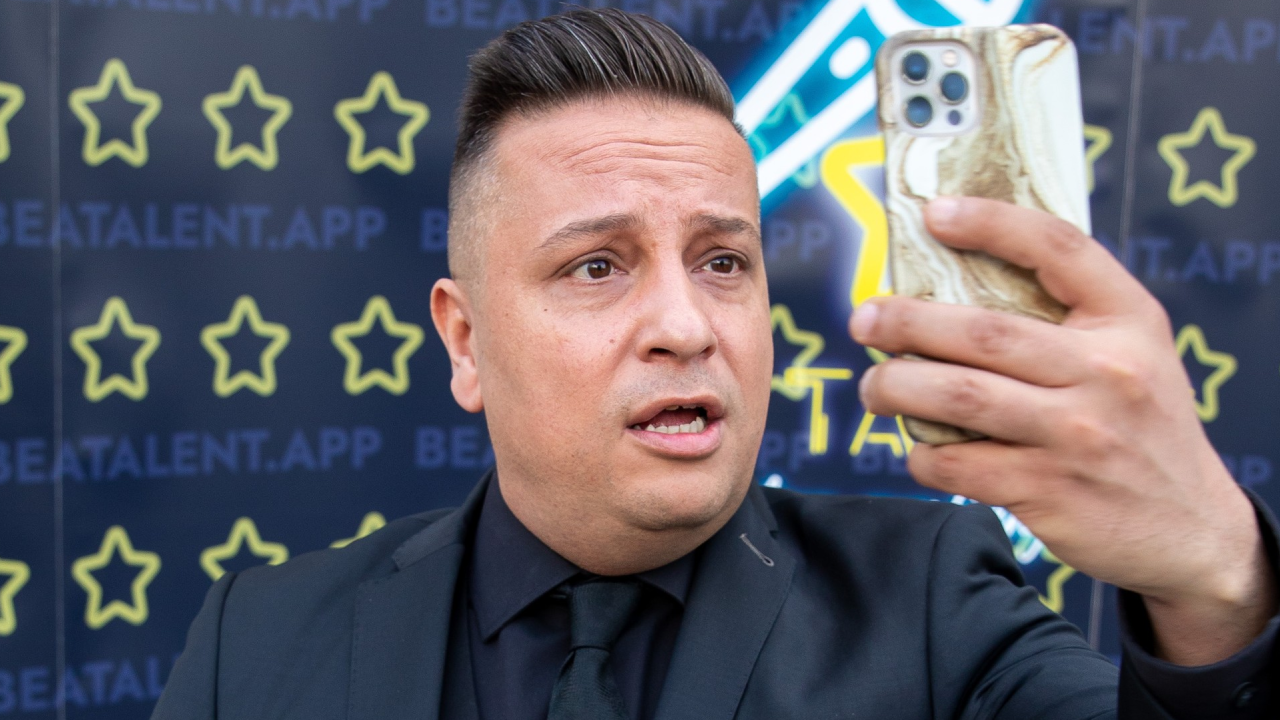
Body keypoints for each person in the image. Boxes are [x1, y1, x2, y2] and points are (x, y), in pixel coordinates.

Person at [152, 9, 1278, 719]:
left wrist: (1216, 588)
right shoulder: (256, 638)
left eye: (723, 261)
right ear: (465, 340)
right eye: (597, 266)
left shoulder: (936, 602)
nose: (686, 325)